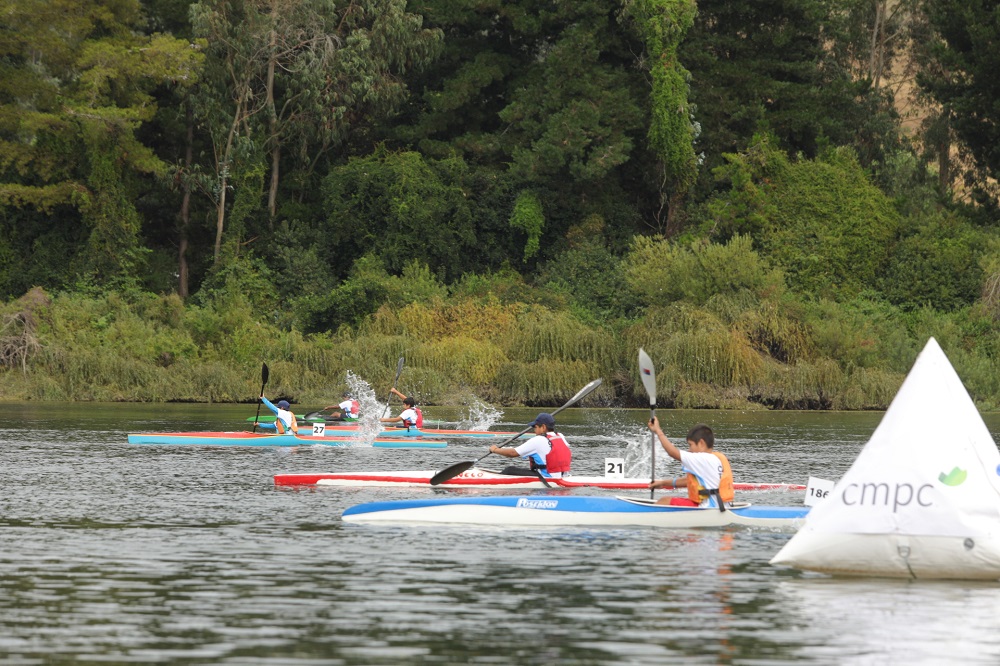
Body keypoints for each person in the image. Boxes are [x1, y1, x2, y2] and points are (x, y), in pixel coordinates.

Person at [647, 416, 734, 508]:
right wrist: (663, 483)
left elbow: (672, 452)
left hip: (709, 507)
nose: (689, 450)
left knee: (665, 501)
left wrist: (658, 431)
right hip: (722, 506)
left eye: (690, 445)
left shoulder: (702, 459)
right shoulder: (716, 458)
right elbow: (688, 481)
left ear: (701, 443)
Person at [489, 412, 572, 478]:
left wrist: (495, 450)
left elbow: (512, 453)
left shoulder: (538, 440)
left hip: (547, 477)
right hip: (563, 475)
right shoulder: (560, 436)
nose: (534, 430)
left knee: (509, 470)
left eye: (535, 427)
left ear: (543, 427)